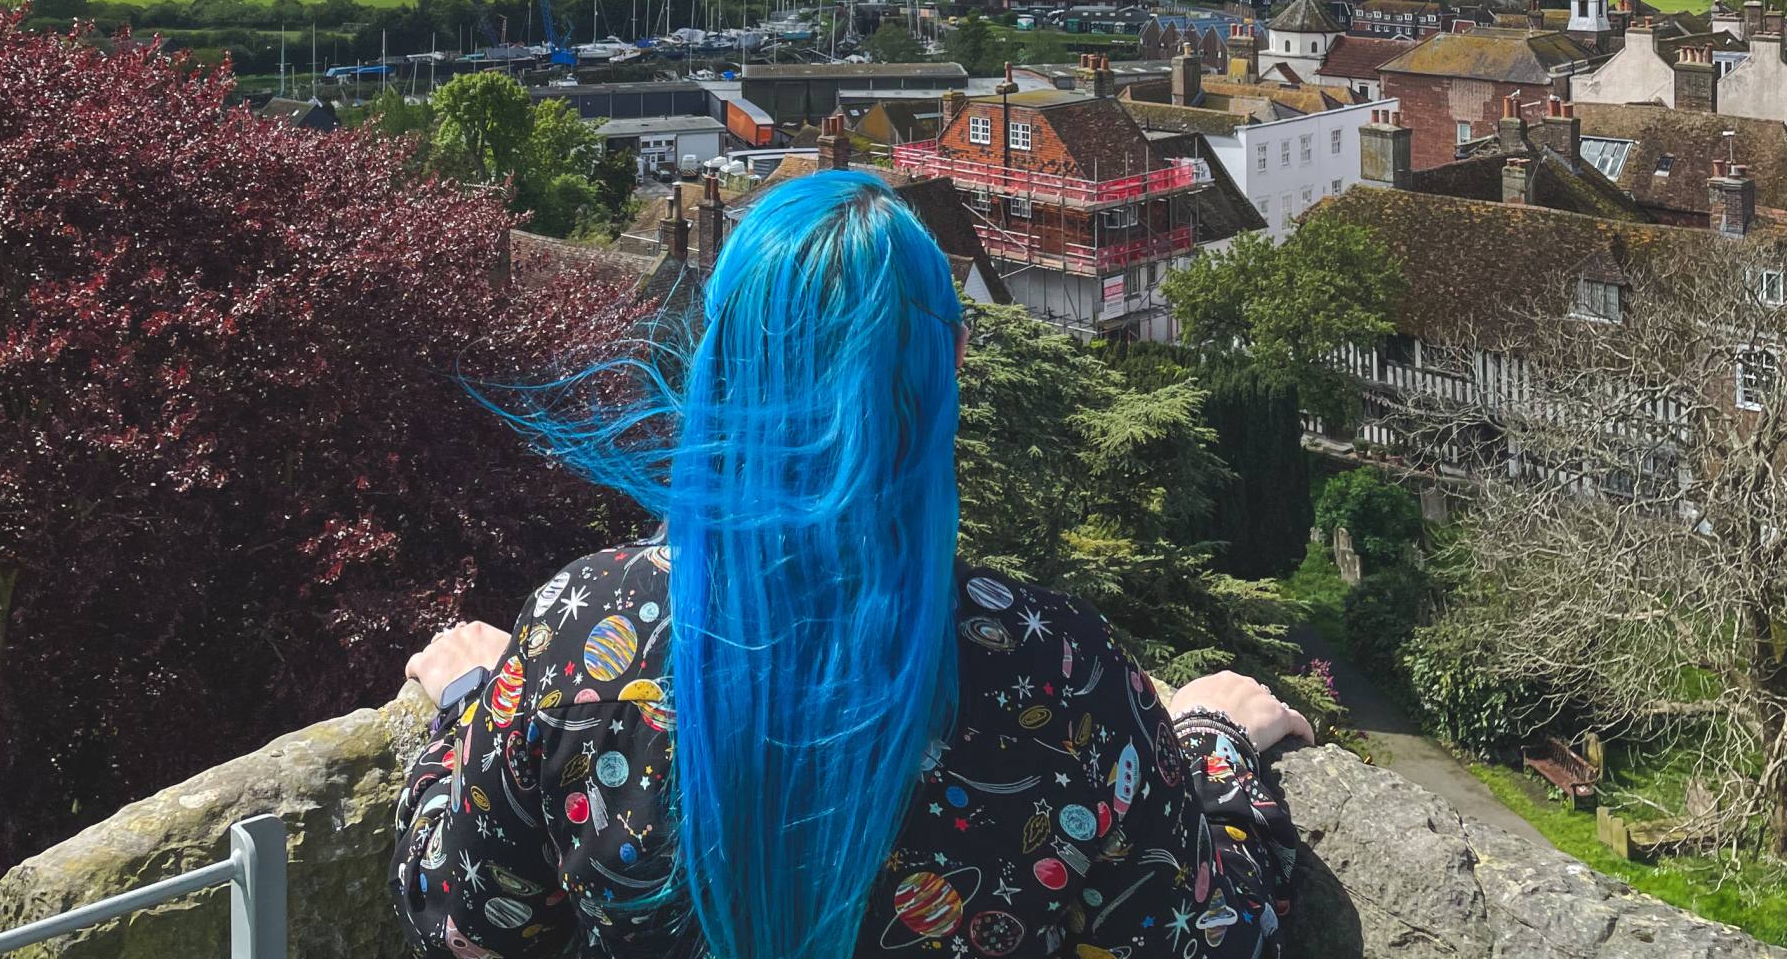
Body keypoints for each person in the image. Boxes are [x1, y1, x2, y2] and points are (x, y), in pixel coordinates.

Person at [391, 169, 1309, 959]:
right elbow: (1218, 934)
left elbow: (465, 916)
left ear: (719, 362)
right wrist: (1214, 746)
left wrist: (471, 705)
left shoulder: (582, 626)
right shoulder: (1058, 674)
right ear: (950, 362)